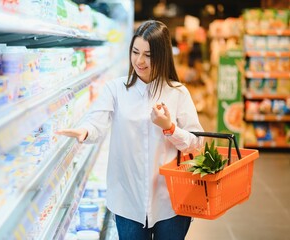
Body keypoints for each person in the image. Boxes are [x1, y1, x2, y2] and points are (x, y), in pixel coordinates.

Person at [56, 20, 204, 240]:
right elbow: (97, 122)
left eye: (148, 55)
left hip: (170, 200)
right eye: (135, 52)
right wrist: (84, 131)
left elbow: (197, 143)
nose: (139, 61)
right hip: (127, 200)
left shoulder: (177, 93)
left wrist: (169, 128)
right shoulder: (116, 89)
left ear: (162, 56)